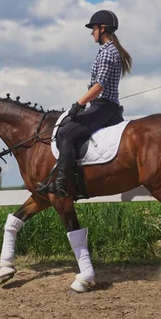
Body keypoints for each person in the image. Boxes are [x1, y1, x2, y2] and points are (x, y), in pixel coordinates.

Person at [37, 10, 132, 197]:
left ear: (102, 29)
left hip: (103, 105)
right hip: (102, 105)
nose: (92, 33)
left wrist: (79, 104)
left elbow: (99, 86)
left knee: (66, 132)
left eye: (94, 29)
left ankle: (62, 183)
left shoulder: (108, 53)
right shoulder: (108, 50)